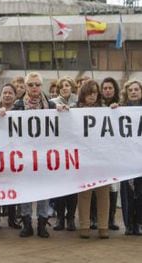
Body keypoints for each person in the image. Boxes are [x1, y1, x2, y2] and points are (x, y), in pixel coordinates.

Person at [13, 72, 56, 238]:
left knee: (43, 191)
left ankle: (42, 225)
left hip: (45, 156)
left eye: (37, 84)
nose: (34, 88)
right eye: (30, 85)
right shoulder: (18, 106)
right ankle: (26, 224)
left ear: (41, 85)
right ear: (25, 86)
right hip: (24, 156)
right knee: (25, 190)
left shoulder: (51, 106)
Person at [76, 80, 109, 239]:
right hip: (82, 158)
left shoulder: (106, 111)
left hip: (102, 157)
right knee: (84, 194)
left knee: (103, 193)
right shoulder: (74, 110)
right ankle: (84, 226)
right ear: (83, 93)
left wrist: (115, 111)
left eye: (95, 92)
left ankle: (103, 227)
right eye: (89, 92)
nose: (92, 95)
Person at [0, 83, 21, 230]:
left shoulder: (21, 111)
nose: (7, 95)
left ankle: (12, 218)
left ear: (15, 96)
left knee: (12, 187)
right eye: (5, 93)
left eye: (10, 93)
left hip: (15, 154)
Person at [50, 77, 78, 231]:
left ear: (72, 87)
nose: (65, 88)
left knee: (73, 189)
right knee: (60, 187)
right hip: (58, 150)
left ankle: (71, 218)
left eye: (67, 85)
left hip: (74, 149)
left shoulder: (79, 102)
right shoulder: (53, 103)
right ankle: (60, 218)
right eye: (62, 86)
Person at [116, 80, 142, 235]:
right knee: (127, 192)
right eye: (130, 90)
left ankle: (138, 223)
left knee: (141, 192)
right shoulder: (121, 109)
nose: (133, 92)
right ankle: (128, 224)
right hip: (126, 157)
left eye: (136, 89)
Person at [100, 77, 121, 231]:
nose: (107, 90)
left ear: (115, 90)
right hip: (99, 153)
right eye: (105, 88)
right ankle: (96, 219)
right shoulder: (96, 106)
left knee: (113, 187)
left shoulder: (122, 105)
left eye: (110, 88)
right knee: (98, 187)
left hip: (115, 154)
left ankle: (111, 218)